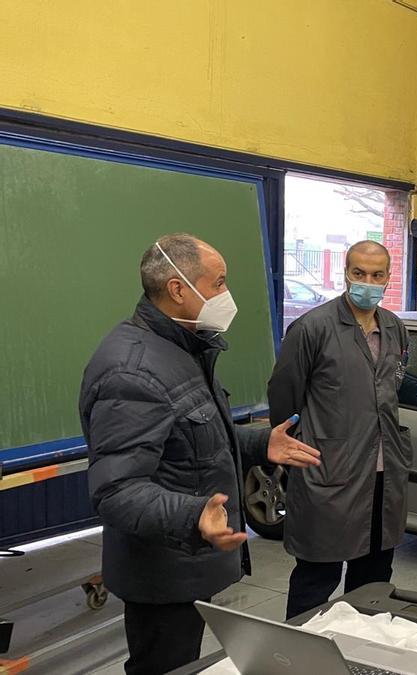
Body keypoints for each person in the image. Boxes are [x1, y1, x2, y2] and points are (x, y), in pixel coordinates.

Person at [80, 234, 321, 675]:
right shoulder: (133, 370)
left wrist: (256, 443)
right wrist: (192, 515)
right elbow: (117, 490)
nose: (226, 296)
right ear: (177, 290)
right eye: (219, 284)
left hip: (186, 565)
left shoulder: (181, 348)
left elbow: (188, 439)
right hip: (163, 574)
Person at [268, 240, 413, 619]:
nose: (368, 282)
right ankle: (300, 656)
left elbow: (390, 389)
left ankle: (360, 652)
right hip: (328, 473)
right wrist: (297, 449)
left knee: (375, 584)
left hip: (383, 475)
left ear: (388, 278)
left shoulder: (395, 328)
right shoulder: (312, 328)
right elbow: (284, 400)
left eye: (377, 275)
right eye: (359, 273)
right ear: (345, 274)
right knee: (317, 578)